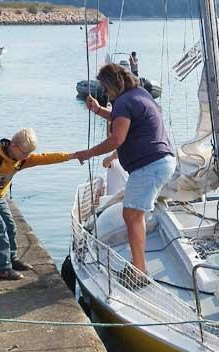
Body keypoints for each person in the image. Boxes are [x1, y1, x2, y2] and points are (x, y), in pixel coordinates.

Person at [73, 63, 176, 276]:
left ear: (111, 84)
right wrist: (99, 110)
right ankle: (138, 263)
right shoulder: (139, 95)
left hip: (149, 165)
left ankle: (139, 270)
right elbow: (124, 119)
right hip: (161, 161)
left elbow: (116, 139)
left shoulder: (122, 102)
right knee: (133, 214)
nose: (104, 92)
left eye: (104, 87)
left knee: (132, 215)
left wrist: (88, 153)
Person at [0, 128, 73, 280]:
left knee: (10, 226)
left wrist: (71, 156)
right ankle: (2, 268)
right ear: (13, 146)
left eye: (29, 153)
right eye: (25, 153)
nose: (27, 156)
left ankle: (11, 258)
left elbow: (45, 158)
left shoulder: (21, 159)